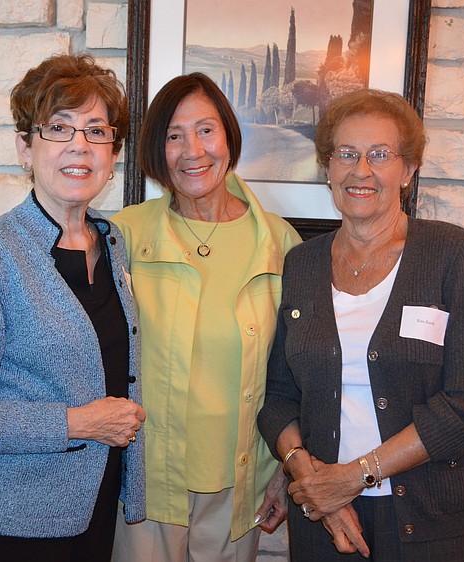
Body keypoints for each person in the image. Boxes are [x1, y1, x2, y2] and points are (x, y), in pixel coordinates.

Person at [0, 53, 146, 562]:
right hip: (10, 523)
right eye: (59, 128)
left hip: (95, 506)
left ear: (113, 154)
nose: (79, 147)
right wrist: (77, 423)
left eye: (96, 131)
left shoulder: (111, 243)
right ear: (25, 147)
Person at [257, 88, 464, 561]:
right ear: (327, 168)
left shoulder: (452, 255)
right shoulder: (302, 264)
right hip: (324, 524)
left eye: (379, 154)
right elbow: (280, 398)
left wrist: (354, 477)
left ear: (408, 170)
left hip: (431, 523)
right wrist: (311, 483)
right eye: (346, 154)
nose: (360, 170)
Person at [110, 72, 301, 562]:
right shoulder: (124, 236)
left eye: (205, 130)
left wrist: (286, 468)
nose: (192, 149)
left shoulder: (281, 245)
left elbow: (299, 373)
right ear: (158, 150)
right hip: (148, 483)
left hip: (242, 484)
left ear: (229, 137)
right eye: (174, 135)